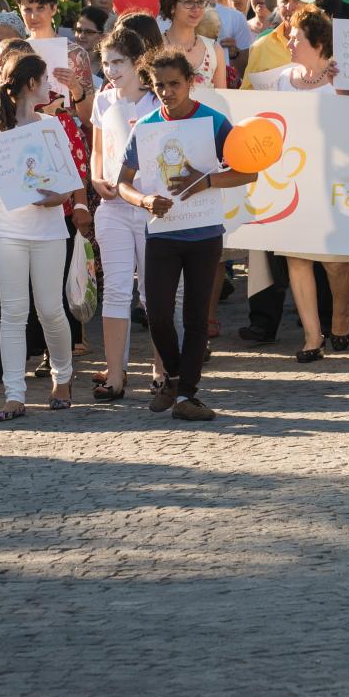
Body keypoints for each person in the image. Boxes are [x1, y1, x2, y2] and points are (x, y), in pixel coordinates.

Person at [116, 50, 257, 422]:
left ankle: (186, 395)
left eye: (174, 84)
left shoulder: (213, 122)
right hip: (162, 233)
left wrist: (207, 180)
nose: (167, 92)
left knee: (196, 317)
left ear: (191, 82)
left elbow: (250, 172)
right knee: (157, 312)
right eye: (159, 85)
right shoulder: (145, 127)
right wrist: (144, 200)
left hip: (204, 232)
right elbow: (122, 183)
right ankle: (175, 378)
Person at [0, 51, 91, 421]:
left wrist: (60, 198)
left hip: (48, 230)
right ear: (31, 84)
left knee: (50, 310)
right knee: (12, 313)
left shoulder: (51, 125)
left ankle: (63, 377)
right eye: (45, 80)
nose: (49, 86)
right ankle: (14, 395)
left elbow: (69, 179)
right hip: (8, 229)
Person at [250, 8, 349, 362]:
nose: (290, 43)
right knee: (296, 257)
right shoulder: (281, 79)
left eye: (296, 38)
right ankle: (312, 336)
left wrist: (344, 90)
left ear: (319, 43)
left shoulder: (341, 75)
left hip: (334, 179)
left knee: (337, 262)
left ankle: (340, 317)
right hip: (291, 180)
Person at [90, 29, 158, 398]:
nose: (112, 70)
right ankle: (115, 374)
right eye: (106, 63)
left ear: (137, 62)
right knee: (115, 289)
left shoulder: (155, 100)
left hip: (149, 207)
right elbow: (99, 151)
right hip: (113, 206)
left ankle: (162, 369)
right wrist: (95, 178)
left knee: (153, 292)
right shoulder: (103, 100)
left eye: (118, 62)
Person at [160, 0, 229, 89]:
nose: (196, 8)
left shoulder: (214, 51)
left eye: (201, 1)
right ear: (172, 7)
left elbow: (222, 98)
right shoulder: (155, 47)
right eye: (188, 2)